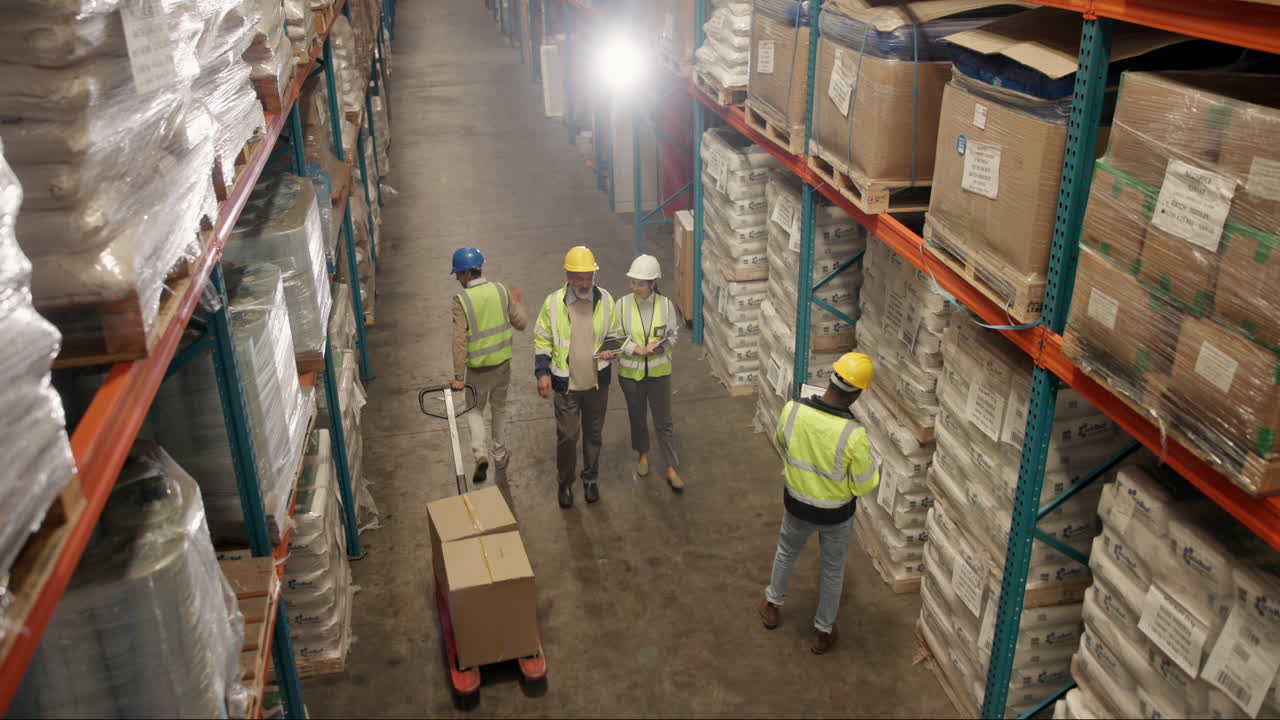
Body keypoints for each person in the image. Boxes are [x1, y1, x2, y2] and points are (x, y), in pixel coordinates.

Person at [757, 352, 880, 655]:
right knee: (832, 569)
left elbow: (781, 444)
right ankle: (823, 632)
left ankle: (772, 605)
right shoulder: (854, 435)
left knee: (786, 551)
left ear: (830, 379)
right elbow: (865, 484)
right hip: (835, 515)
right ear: (857, 394)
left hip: (796, 504)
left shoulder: (793, 410)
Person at [533, 246, 621, 508]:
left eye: (589, 277)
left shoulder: (606, 299)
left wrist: (611, 350)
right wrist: (542, 373)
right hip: (566, 386)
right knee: (568, 437)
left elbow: (615, 333)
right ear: (568, 276)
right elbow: (542, 339)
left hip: (597, 383)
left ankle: (590, 479)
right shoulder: (553, 303)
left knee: (594, 435)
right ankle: (565, 483)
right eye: (579, 278)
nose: (585, 283)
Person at [449, 247, 526, 484]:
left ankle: (480, 454)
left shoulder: (461, 300)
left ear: (466, 273)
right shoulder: (501, 290)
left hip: (478, 371)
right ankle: (500, 454)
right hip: (502, 366)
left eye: (458, 274)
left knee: (474, 410)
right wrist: (515, 302)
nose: (457, 278)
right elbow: (521, 323)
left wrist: (458, 376)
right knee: (499, 408)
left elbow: (459, 341)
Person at [615, 254, 684, 492]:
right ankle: (643, 454)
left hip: (658, 373)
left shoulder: (665, 306)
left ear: (653, 283)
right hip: (630, 374)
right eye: (633, 282)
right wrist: (634, 348)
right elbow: (615, 336)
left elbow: (673, 335)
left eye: (641, 284)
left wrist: (661, 347)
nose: (635, 288)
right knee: (637, 417)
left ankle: (671, 467)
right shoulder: (622, 305)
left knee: (663, 422)